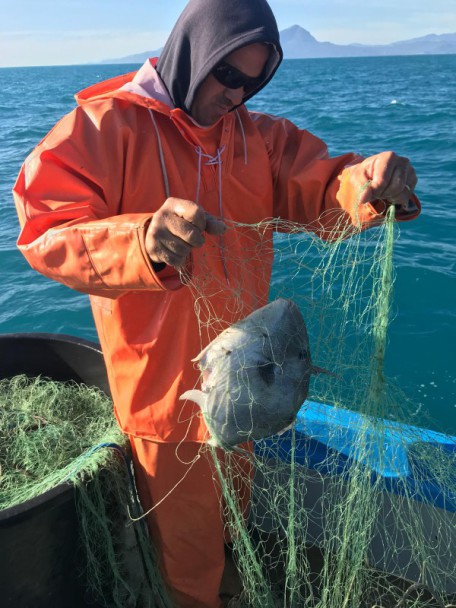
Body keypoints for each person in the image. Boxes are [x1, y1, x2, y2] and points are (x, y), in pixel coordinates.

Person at [13, 0, 420, 606]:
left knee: (227, 526)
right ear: (191, 53)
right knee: (186, 558)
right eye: (228, 75)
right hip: (164, 397)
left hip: (250, 380)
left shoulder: (263, 139)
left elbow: (325, 187)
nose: (238, 95)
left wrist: (373, 185)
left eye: (254, 81)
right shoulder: (103, 126)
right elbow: (45, 230)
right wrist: (141, 238)